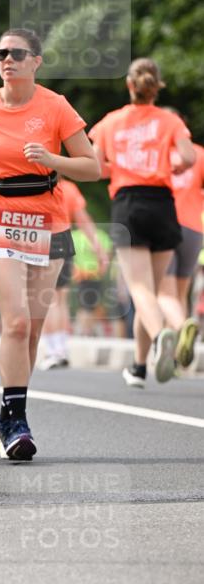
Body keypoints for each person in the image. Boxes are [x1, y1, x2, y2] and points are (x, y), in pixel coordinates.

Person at [0, 28, 99, 460]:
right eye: (1, 53)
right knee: (16, 321)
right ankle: (17, 419)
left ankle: (6, 414)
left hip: (48, 224)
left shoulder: (55, 107)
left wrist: (53, 160)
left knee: (33, 328)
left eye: (17, 53)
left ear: (36, 61)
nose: (7, 60)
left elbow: (91, 167)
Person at [90, 59, 195, 388]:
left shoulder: (111, 122)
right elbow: (189, 157)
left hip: (129, 203)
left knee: (139, 288)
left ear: (129, 85)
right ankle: (140, 364)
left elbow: (95, 166)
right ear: (156, 86)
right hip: (163, 203)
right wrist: (173, 165)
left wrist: (119, 167)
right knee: (155, 288)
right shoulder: (169, 121)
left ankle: (160, 334)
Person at [39, 179, 110, 369]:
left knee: (47, 300)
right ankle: (61, 348)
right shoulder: (68, 188)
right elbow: (84, 221)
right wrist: (100, 252)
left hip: (41, 239)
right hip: (63, 240)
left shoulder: (36, 185)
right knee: (60, 299)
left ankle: (52, 350)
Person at [157, 110, 204, 369]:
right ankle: (175, 355)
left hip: (164, 225)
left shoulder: (157, 152)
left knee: (164, 293)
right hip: (194, 229)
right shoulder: (198, 154)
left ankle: (179, 329)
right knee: (180, 294)